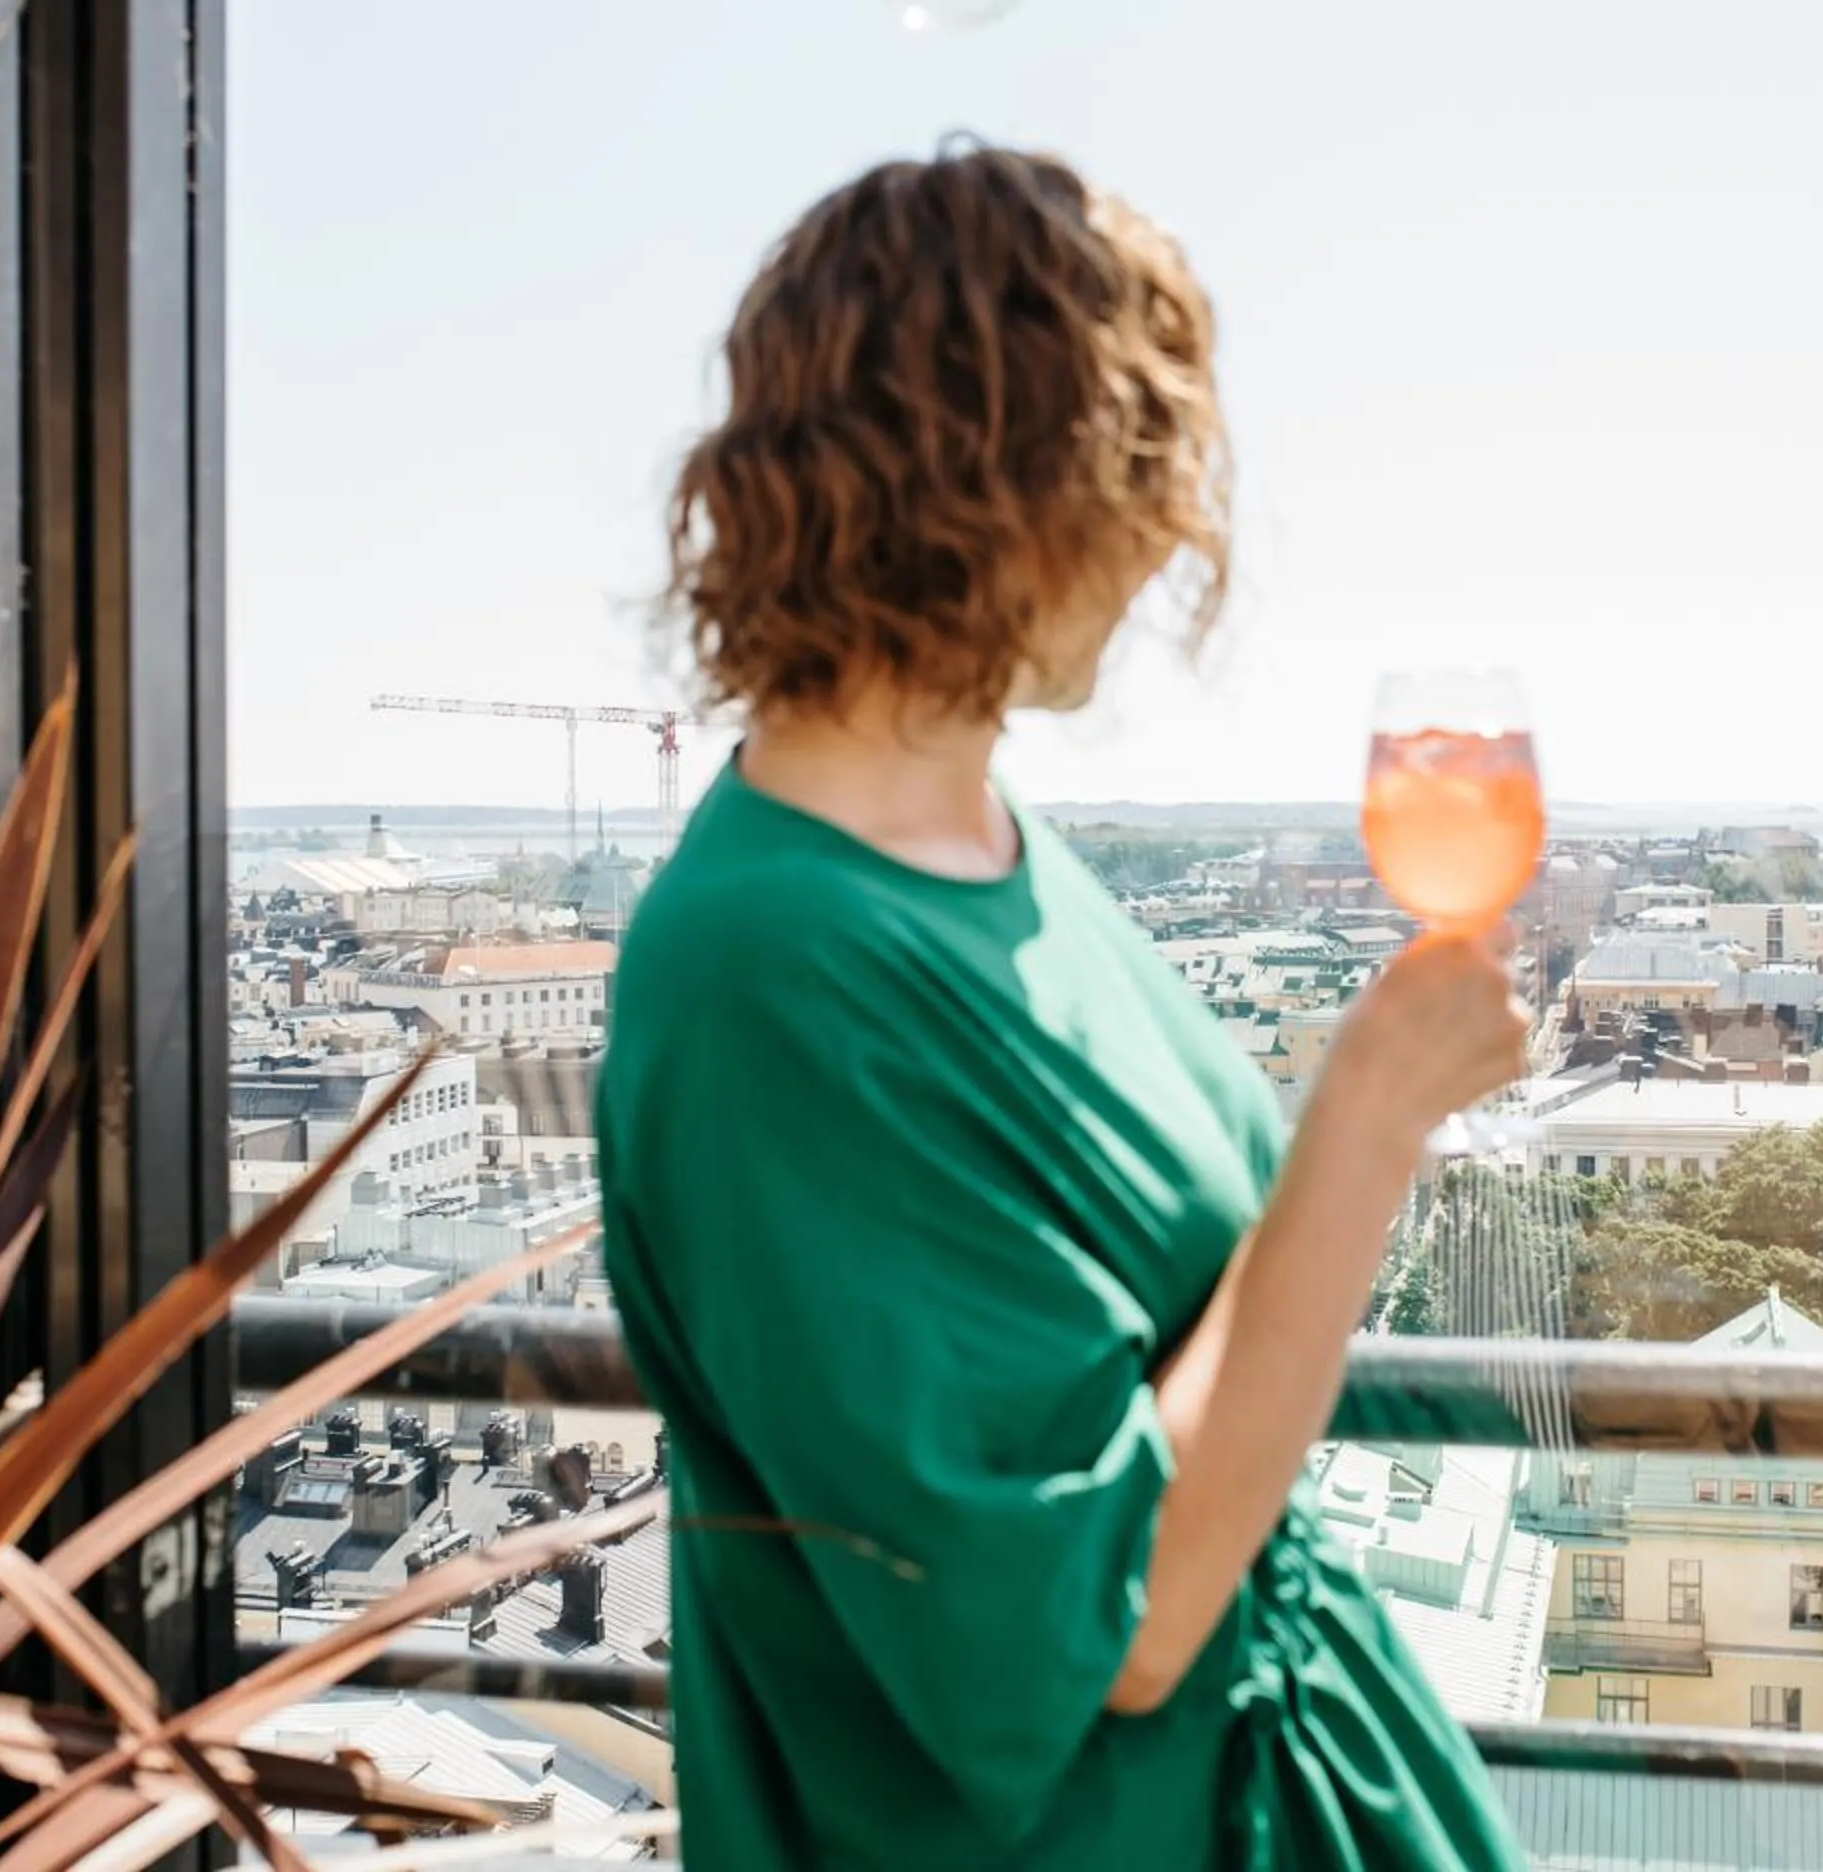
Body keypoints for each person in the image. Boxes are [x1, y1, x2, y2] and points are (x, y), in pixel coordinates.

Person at [596, 144, 1533, 1870]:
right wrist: (1373, 1117)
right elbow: (1115, 1622)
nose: (1177, 531)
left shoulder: (990, 846)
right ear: (997, 483)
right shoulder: (776, 972)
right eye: (1145, 464)